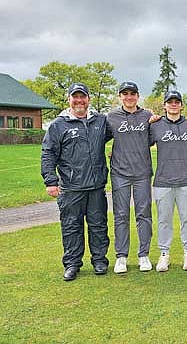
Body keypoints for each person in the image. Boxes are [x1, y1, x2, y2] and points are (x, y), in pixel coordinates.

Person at [41, 83, 110, 281]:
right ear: (69, 100)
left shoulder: (101, 121)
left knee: (98, 225)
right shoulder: (58, 125)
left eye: (83, 97)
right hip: (71, 188)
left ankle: (99, 260)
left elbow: (124, 134)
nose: (79, 101)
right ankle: (72, 264)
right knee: (71, 226)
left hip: (96, 186)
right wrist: (50, 181)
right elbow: (48, 154)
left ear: (88, 99)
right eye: (75, 97)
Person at [106, 82, 153, 274]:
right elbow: (98, 138)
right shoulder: (111, 117)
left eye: (132, 93)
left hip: (142, 173)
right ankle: (121, 257)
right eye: (125, 94)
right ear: (120, 96)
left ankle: (144, 255)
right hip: (119, 173)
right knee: (121, 215)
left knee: (143, 215)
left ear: (138, 96)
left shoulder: (147, 116)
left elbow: (154, 137)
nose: (129, 97)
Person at [149, 90, 187, 271]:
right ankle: (164, 254)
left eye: (177, 102)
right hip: (162, 181)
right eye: (170, 102)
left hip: (186, 180)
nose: (174, 104)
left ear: (181, 105)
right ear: (165, 105)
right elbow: (140, 143)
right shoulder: (155, 125)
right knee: (164, 220)